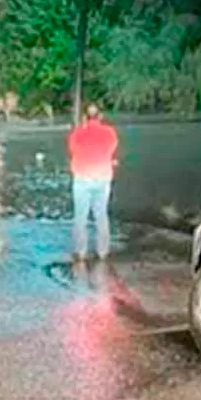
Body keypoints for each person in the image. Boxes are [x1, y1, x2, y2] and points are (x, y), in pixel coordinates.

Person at [67, 103, 119, 278]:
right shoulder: (110, 133)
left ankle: (80, 253)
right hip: (103, 178)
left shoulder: (76, 134)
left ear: (84, 117)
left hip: (82, 178)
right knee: (101, 215)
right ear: (100, 116)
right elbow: (111, 150)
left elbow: (73, 151)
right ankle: (103, 252)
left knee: (80, 217)